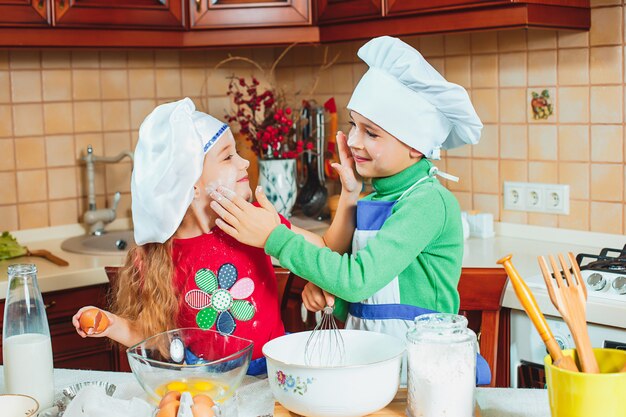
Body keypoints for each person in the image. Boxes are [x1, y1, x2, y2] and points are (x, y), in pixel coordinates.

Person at [208, 36, 491, 384]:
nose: (354, 140)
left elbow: (358, 280)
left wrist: (275, 237)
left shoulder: (428, 203)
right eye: (354, 125)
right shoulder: (373, 201)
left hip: (425, 375)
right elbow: (368, 298)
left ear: (416, 147)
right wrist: (334, 298)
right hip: (376, 365)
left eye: (371, 132)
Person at [72, 98, 357, 374]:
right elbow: (156, 336)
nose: (245, 163)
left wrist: (349, 194)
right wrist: (111, 324)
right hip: (207, 387)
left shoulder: (252, 221)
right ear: (191, 184)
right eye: (228, 156)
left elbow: (325, 251)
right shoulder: (154, 258)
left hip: (272, 377)